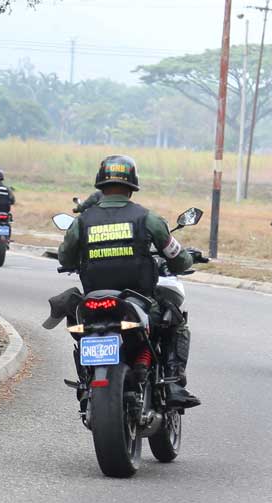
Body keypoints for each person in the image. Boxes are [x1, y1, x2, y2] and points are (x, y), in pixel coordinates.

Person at [57, 154, 202, 409]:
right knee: (176, 323)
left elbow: (65, 257)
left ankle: (85, 380)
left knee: (78, 326)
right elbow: (178, 258)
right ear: (132, 185)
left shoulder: (82, 221)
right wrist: (187, 260)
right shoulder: (148, 219)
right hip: (140, 301)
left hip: (94, 300)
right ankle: (173, 385)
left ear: (100, 184)